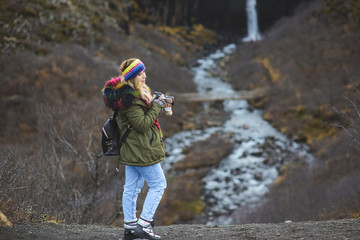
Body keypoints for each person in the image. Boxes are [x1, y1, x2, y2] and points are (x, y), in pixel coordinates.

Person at [102, 58, 171, 240]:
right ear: (132, 77)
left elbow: (143, 118)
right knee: (158, 184)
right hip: (140, 150)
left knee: (131, 188)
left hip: (133, 149)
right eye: (140, 73)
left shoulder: (137, 93)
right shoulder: (130, 100)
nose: (145, 76)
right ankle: (144, 224)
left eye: (144, 72)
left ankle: (130, 229)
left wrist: (156, 103)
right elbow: (141, 125)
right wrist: (156, 106)